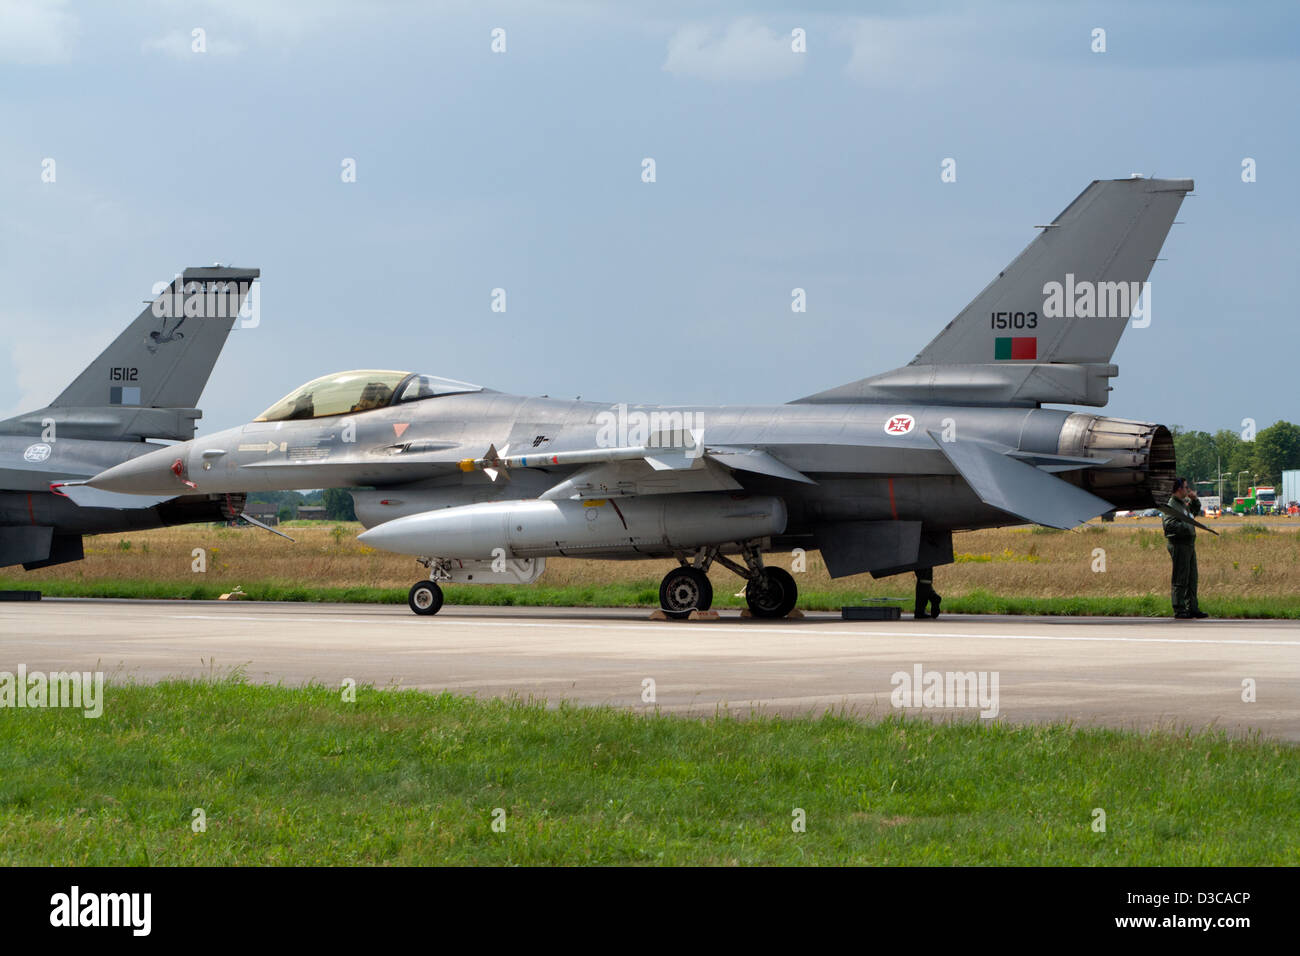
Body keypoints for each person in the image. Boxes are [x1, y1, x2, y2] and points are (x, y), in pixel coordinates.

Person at [1162, 478, 1208, 620]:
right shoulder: (1171, 505)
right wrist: (1188, 527)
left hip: (1188, 545)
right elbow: (1169, 526)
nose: (1188, 490)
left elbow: (1191, 515)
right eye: (1186, 487)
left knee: (1192, 578)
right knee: (1180, 578)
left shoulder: (1182, 505)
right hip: (1179, 545)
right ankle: (1179, 608)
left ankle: (1192, 608)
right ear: (1179, 489)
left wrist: (1195, 501)